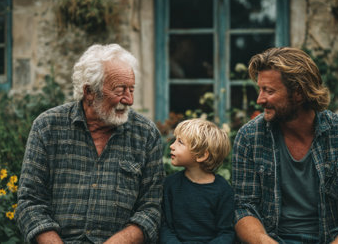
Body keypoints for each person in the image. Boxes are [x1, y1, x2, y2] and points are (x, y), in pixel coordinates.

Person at [15, 44, 164, 243]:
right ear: (89, 92)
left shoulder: (146, 134)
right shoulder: (47, 127)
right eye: (120, 90)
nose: (129, 100)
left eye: (131, 89)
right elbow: (30, 203)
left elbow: (151, 209)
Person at [232, 47, 338, 244]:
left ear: (298, 93)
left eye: (269, 91)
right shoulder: (250, 137)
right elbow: (244, 207)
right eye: (260, 89)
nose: (260, 99)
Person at [160, 119, 235, 243]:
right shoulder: (170, 185)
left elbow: (226, 232)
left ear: (201, 156)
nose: (172, 146)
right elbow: (165, 227)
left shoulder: (223, 190)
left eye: (180, 142)